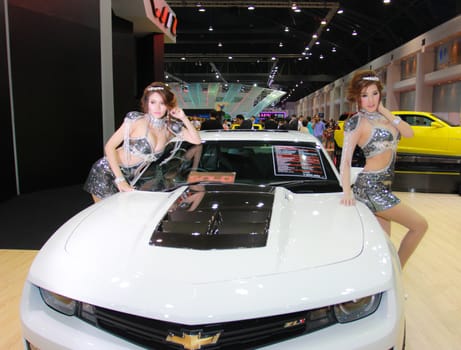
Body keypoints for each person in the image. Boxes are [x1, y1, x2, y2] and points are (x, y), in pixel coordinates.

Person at [339, 69, 427, 268]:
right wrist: (347, 191)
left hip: (384, 186)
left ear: (380, 94)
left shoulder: (386, 119)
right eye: (364, 95)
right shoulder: (356, 122)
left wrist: (384, 110)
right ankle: (397, 271)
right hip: (370, 188)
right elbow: (345, 160)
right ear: (357, 98)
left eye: (374, 93)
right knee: (420, 225)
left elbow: (409, 132)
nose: (370, 100)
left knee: (383, 245)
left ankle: (379, 280)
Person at [83, 81, 202, 202]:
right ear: (147, 104)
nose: (157, 108)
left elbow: (196, 140)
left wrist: (183, 117)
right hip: (108, 171)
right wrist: (120, 180)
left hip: (131, 178)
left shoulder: (169, 128)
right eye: (153, 102)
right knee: (107, 215)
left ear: (168, 105)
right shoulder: (136, 121)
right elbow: (109, 147)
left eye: (162, 103)